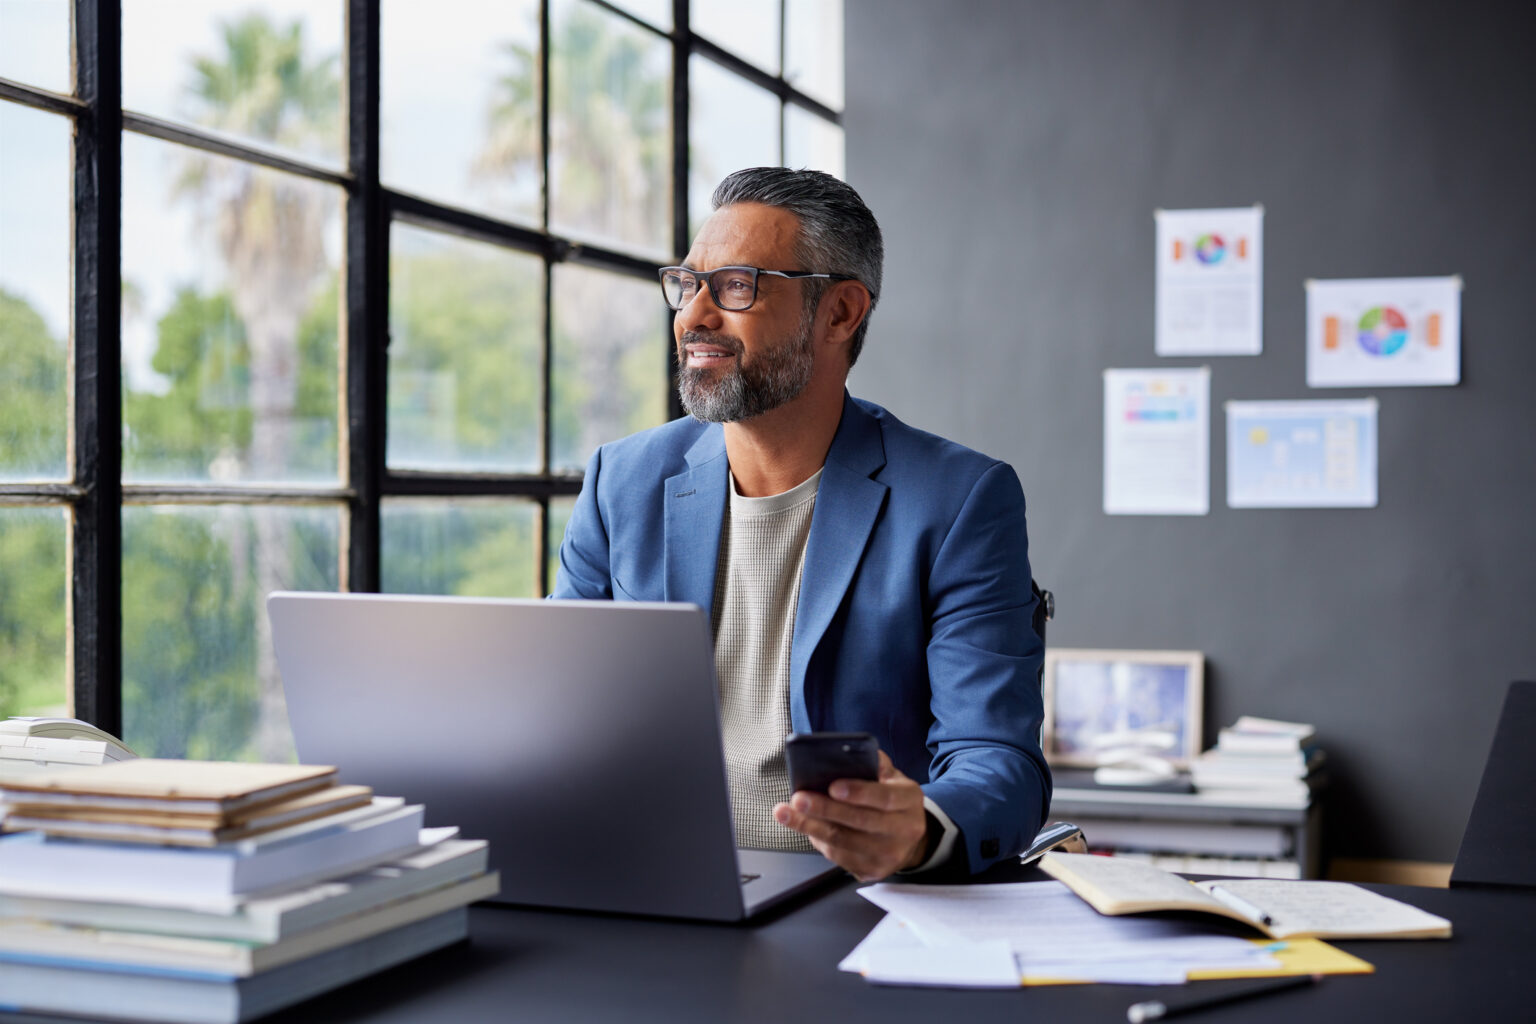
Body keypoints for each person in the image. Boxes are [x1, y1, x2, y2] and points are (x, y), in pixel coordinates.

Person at [554, 167, 1049, 880]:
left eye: (735, 286)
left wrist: (918, 832)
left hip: (851, 907)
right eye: (688, 284)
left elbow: (998, 760)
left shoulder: (960, 499)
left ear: (841, 313)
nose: (693, 316)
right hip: (650, 883)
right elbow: (555, 705)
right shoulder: (621, 482)